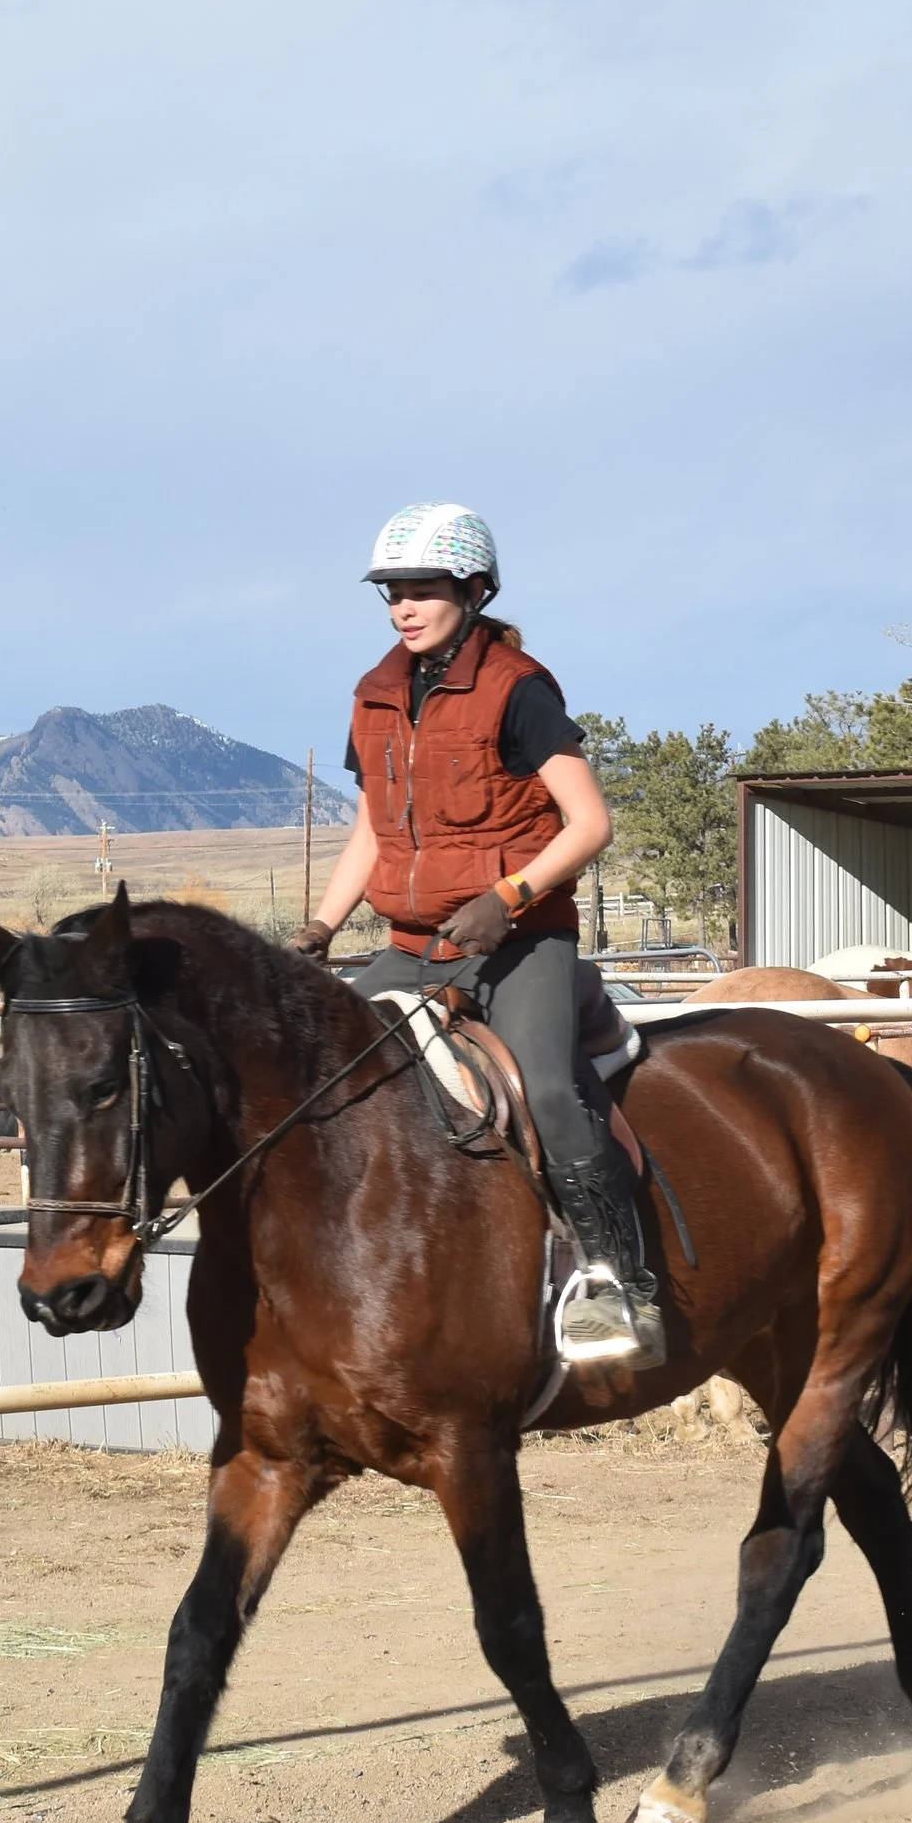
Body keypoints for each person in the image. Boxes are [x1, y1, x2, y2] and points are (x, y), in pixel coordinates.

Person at [292, 502, 665, 1369]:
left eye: (422, 589)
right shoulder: (375, 694)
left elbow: (589, 822)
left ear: (473, 588)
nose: (403, 608)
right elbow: (374, 831)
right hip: (414, 941)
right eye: (392, 592)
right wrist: (322, 923)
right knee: (323, 1077)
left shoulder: (519, 688)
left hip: (522, 940)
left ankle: (620, 1284)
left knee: (545, 1087)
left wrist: (511, 894)